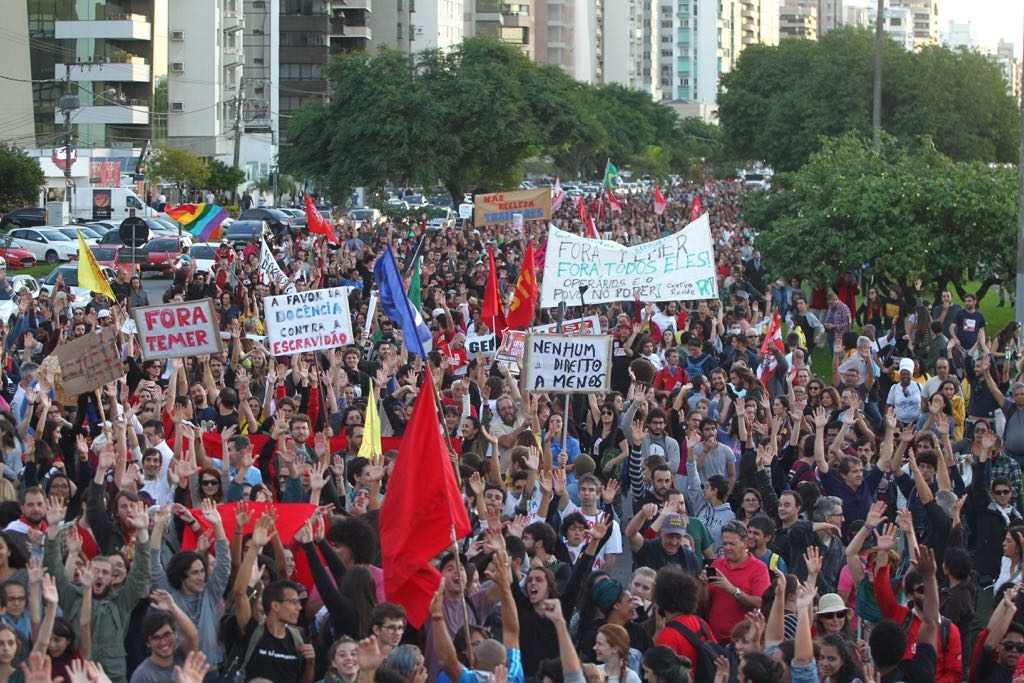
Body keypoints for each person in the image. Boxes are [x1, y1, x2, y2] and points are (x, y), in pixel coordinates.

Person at [703, 521, 771, 642]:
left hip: (742, 642)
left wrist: (733, 590)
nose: (727, 548)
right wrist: (702, 585)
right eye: (725, 544)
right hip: (714, 640)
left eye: (732, 544)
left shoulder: (759, 568)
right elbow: (704, 604)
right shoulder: (716, 564)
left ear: (745, 543)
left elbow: (761, 603)